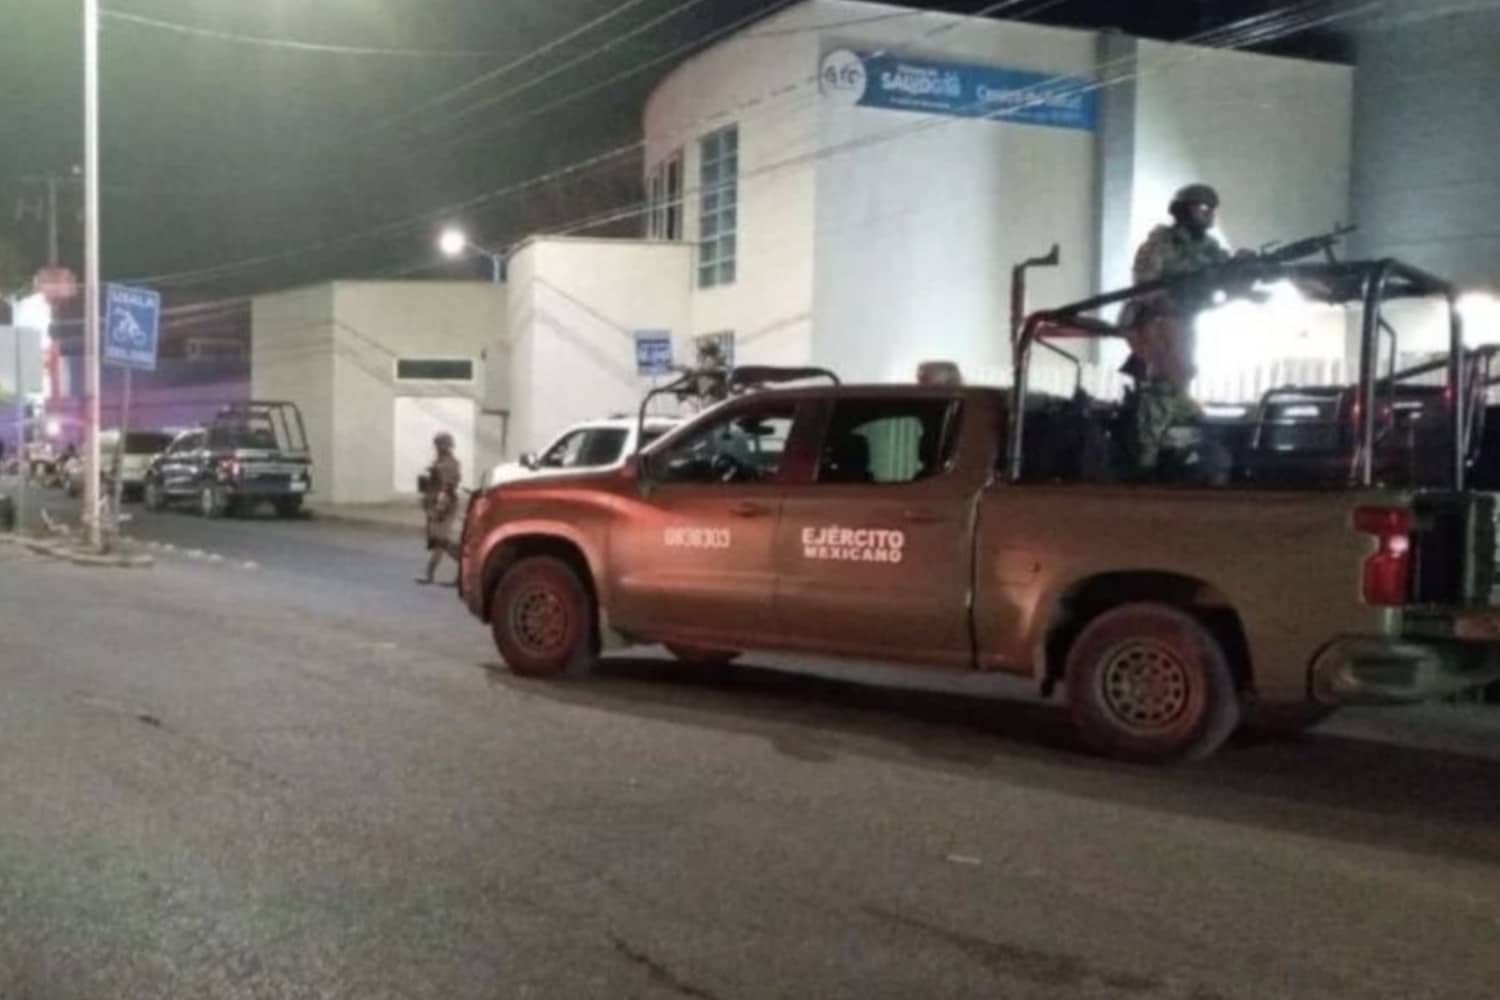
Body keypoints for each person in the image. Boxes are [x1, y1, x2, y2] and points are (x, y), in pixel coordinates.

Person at [1122, 183, 1236, 476]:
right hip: (1153, 320)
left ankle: (1171, 446)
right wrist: (1175, 298)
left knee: (1180, 378)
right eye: (1203, 208)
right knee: (1162, 384)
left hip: (1183, 321)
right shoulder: (1160, 244)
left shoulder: (1208, 247)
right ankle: (1146, 460)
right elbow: (1144, 286)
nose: (1209, 215)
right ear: (1183, 211)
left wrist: (1249, 267)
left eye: (1212, 210)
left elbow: (1229, 271)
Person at [417, 431, 463, 585]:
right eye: (437, 444)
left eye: (440, 444)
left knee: (441, 539)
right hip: (436, 503)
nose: (437, 447)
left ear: (447, 446)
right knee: (438, 540)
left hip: (444, 504)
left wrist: (439, 507)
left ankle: (461, 569)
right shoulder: (439, 461)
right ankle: (433, 574)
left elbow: (448, 487)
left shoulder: (449, 463)